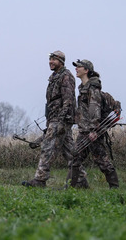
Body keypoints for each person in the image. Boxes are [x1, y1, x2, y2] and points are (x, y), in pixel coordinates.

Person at [22, 51, 87, 188]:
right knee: (70, 152)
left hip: (60, 119)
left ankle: (40, 180)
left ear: (61, 61)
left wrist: (62, 120)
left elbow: (68, 100)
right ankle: (81, 180)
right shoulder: (54, 77)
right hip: (55, 118)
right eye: (50, 59)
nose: (51, 62)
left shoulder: (66, 76)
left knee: (47, 148)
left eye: (54, 59)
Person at [70, 59, 119, 189]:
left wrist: (93, 130)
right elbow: (84, 110)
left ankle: (114, 187)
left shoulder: (93, 88)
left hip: (93, 131)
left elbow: (94, 109)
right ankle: (70, 188)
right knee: (75, 157)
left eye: (79, 67)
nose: (76, 69)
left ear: (86, 70)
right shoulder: (83, 88)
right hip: (84, 130)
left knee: (102, 160)